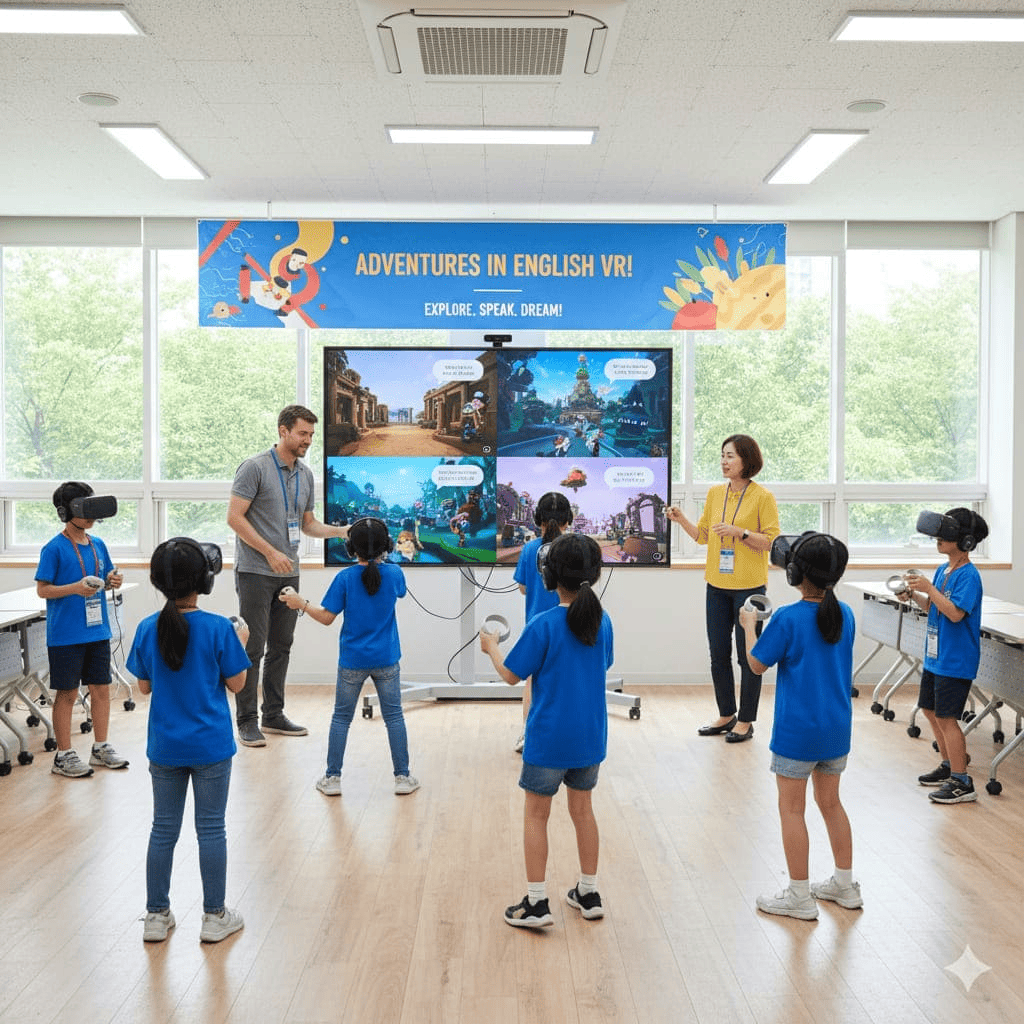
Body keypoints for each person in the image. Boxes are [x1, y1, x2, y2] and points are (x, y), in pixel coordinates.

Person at [480, 533, 613, 929]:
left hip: (548, 740)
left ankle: (537, 903)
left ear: (548, 575)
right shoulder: (602, 622)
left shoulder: (543, 624)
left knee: (536, 816)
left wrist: (491, 648)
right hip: (590, 739)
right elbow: (602, 664)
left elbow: (511, 675)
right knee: (583, 811)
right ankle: (588, 892)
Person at [126, 537, 251, 943]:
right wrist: (241, 643)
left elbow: (144, 686)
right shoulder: (219, 629)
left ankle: (156, 916)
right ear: (205, 581)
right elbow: (237, 684)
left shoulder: (147, 627)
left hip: (165, 747)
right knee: (211, 829)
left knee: (163, 829)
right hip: (211, 747)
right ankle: (215, 917)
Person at [739, 532, 860, 920]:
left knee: (791, 810)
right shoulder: (846, 614)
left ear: (794, 574)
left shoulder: (787, 618)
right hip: (836, 730)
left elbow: (756, 665)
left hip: (797, 734)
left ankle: (798, 896)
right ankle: (845, 885)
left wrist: (748, 626)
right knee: (832, 803)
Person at [228, 404, 349, 747]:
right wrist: (269, 552)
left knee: (281, 646)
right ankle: (247, 721)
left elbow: (308, 524)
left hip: (289, 574)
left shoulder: (305, 475)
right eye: (302, 433)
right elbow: (235, 518)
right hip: (255, 571)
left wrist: (340, 532)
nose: (308, 440)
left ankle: (273, 714)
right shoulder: (254, 468)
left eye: (311, 434)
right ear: (283, 431)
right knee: (253, 648)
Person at [278, 517, 419, 797]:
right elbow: (399, 592)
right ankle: (403, 777)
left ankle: (332, 778)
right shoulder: (395, 574)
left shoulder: (344, 578)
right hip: (387, 659)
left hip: (352, 661)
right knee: (394, 717)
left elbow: (326, 617)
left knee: (341, 718)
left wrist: (300, 603)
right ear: (388, 546)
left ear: (350, 548)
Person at [666, 434, 780, 742]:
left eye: (730, 456)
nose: (724, 461)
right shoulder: (715, 493)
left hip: (749, 588)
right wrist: (681, 519)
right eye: (722, 455)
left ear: (746, 460)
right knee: (718, 654)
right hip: (716, 585)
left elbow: (771, 541)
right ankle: (726, 713)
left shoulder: (763, 497)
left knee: (748, 657)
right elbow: (703, 536)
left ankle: (746, 720)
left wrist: (740, 532)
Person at [35, 481, 128, 778]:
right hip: (66, 634)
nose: (90, 516)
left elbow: (107, 577)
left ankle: (100, 747)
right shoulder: (53, 548)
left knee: (101, 689)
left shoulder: (98, 545)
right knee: (67, 692)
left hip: (97, 631)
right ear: (65, 512)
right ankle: (63, 755)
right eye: (84, 508)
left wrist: (113, 581)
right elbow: (43, 590)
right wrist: (74, 588)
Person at [901, 508, 988, 805]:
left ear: (965, 541)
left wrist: (929, 588)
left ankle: (962, 781)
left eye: (945, 535)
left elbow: (954, 613)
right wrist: (915, 595)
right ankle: (950, 764)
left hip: (955, 660)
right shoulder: (943, 570)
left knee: (947, 718)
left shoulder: (969, 576)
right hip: (936, 657)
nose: (938, 539)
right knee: (929, 709)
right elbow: (934, 607)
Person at [511, 491, 574, 753]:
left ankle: (528, 735)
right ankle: (566, 735)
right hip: (571, 624)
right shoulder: (575, 547)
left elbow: (523, 588)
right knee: (568, 680)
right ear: (568, 520)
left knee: (533, 682)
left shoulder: (529, 549)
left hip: (537, 626)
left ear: (538, 520)